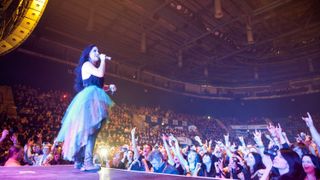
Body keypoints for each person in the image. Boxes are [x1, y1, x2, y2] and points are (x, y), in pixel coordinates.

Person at [55, 44, 116, 171]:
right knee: (90, 130)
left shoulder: (92, 67)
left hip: (95, 97)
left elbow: (99, 84)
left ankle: (80, 160)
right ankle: (86, 161)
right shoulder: (87, 65)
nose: (97, 52)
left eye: (98, 50)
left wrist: (109, 87)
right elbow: (100, 73)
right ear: (88, 54)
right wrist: (103, 60)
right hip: (89, 99)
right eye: (95, 50)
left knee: (90, 130)